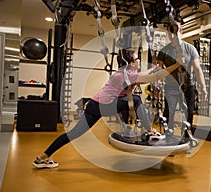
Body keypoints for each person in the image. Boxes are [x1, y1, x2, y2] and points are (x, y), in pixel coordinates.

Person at [33, 47, 183, 168]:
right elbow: (153, 78)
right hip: (103, 105)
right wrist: (176, 65)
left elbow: (145, 74)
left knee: (74, 134)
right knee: (136, 99)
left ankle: (43, 157)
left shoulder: (125, 73)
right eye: (137, 58)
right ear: (131, 63)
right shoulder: (126, 76)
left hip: (94, 105)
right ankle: (150, 131)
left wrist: (154, 67)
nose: (139, 61)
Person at [157, 21, 208, 135]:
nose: (172, 36)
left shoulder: (190, 49)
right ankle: (168, 138)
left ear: (181, 32)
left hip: (188, 86)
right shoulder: (164, 51)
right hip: (171, 87)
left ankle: (186, 138)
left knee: (188, 114)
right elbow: (159, 71)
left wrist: (204, 87)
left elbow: (197, 69)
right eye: (170, 33)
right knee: (169, 113)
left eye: (174, 32)